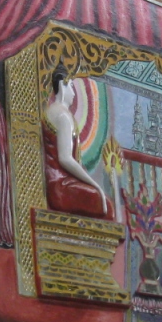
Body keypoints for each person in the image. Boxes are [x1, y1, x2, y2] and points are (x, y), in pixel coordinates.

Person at [42, 67, 110, 219]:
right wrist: (95, 184)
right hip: (60, 185)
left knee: (104, 203)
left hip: (64, 181)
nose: (73, 94)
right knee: (103, 203)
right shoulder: (62, 116)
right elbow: (65, 158)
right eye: (71, 87)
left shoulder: (57, 112)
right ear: (62, 86)